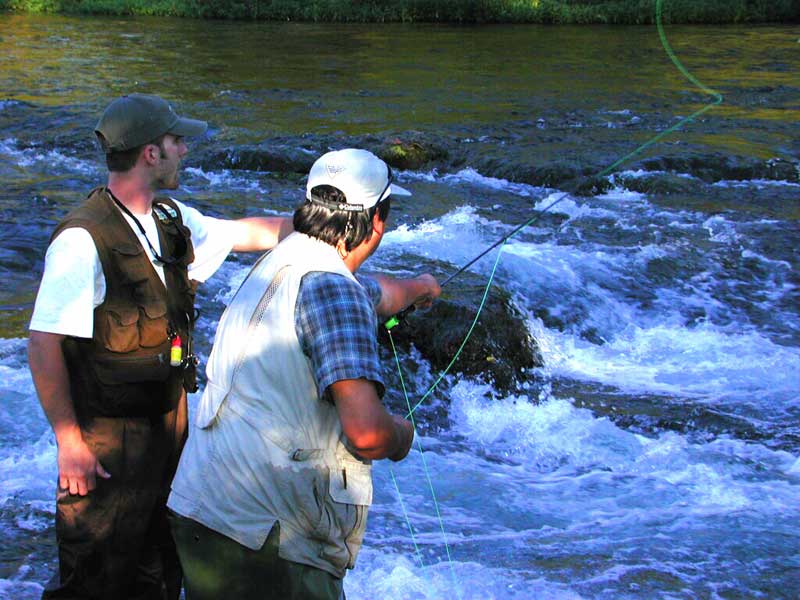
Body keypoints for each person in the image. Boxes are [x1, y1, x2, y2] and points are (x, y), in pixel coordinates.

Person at [27, 93, 293, 600]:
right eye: (177, 141)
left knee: (161, 581)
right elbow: (42, 345)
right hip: (105, 455)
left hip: (170, 445)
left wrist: (318, 225)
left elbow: (246, 233)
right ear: (152, 153)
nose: (185, 151)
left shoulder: (172, 220)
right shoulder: (82, 240)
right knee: (95, 586)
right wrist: (69, 443)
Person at [167, 148, 441, 599]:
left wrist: (420, 288)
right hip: (267, 539)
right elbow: (367, 435)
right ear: (377, 222)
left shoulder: (284, 258)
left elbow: (371, 294)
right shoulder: (333, 289)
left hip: (203, 508)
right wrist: (401, 435)